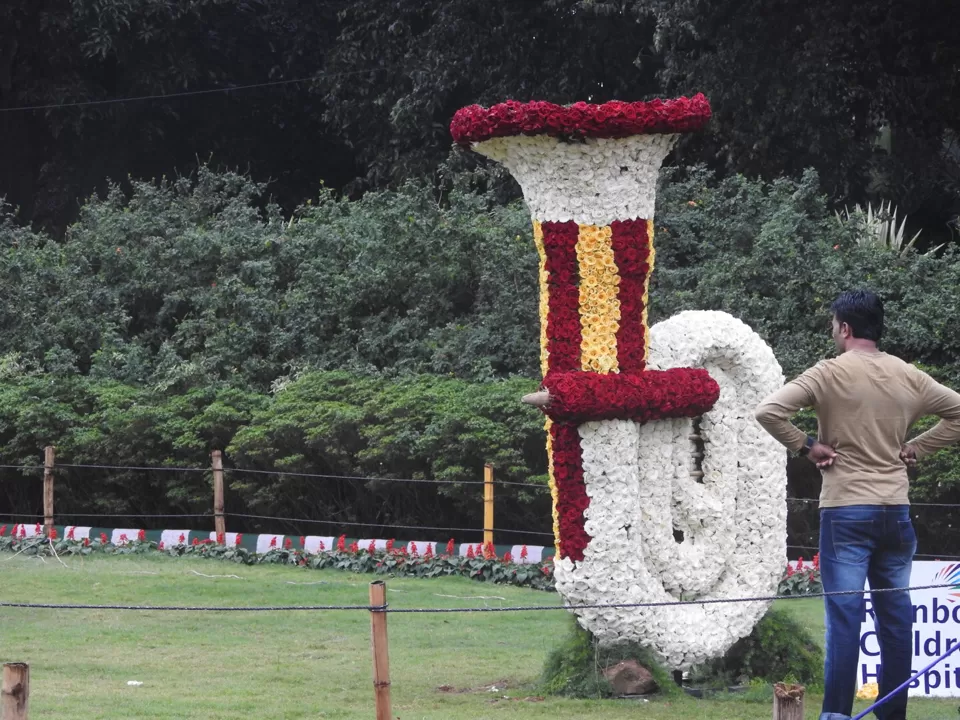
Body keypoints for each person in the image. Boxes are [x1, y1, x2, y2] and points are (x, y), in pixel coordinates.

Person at [754, 289, 960, 720]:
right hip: (895, 514)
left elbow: (770, 411)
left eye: (833, 325)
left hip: (846, 511)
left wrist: (808, 446)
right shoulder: (909, 375)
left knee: (846, 622)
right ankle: (892, 716)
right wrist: (918, 448)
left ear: (844, 329)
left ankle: (836, 716)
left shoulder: (828, 373)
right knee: (897, 622)